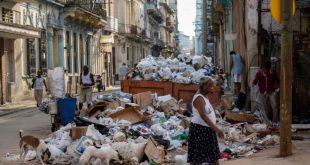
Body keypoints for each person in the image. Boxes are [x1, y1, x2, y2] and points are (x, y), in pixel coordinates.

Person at [187, 77, 224, 165]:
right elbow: (203, 115)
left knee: (214, 155)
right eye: (210, 86)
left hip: (207, 129)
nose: (212, 88)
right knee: (197, 157)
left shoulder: (204, 95)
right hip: (200, 130)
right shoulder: (199, 98)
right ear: (203, 86)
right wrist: (216, 129)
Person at [252, 61, 279, 126]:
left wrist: (278, 88)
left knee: (274, 106)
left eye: (267, 69)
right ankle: (267, 122)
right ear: (263, 68)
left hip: (271, 91)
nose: (265, 70)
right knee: (264, 107)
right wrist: (253, 85)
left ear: (269, 68)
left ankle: (274, 121)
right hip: (262, 92)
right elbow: (255, 81)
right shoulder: (260, 73)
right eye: (264, 69)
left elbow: (277, 80)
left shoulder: (272, 72)